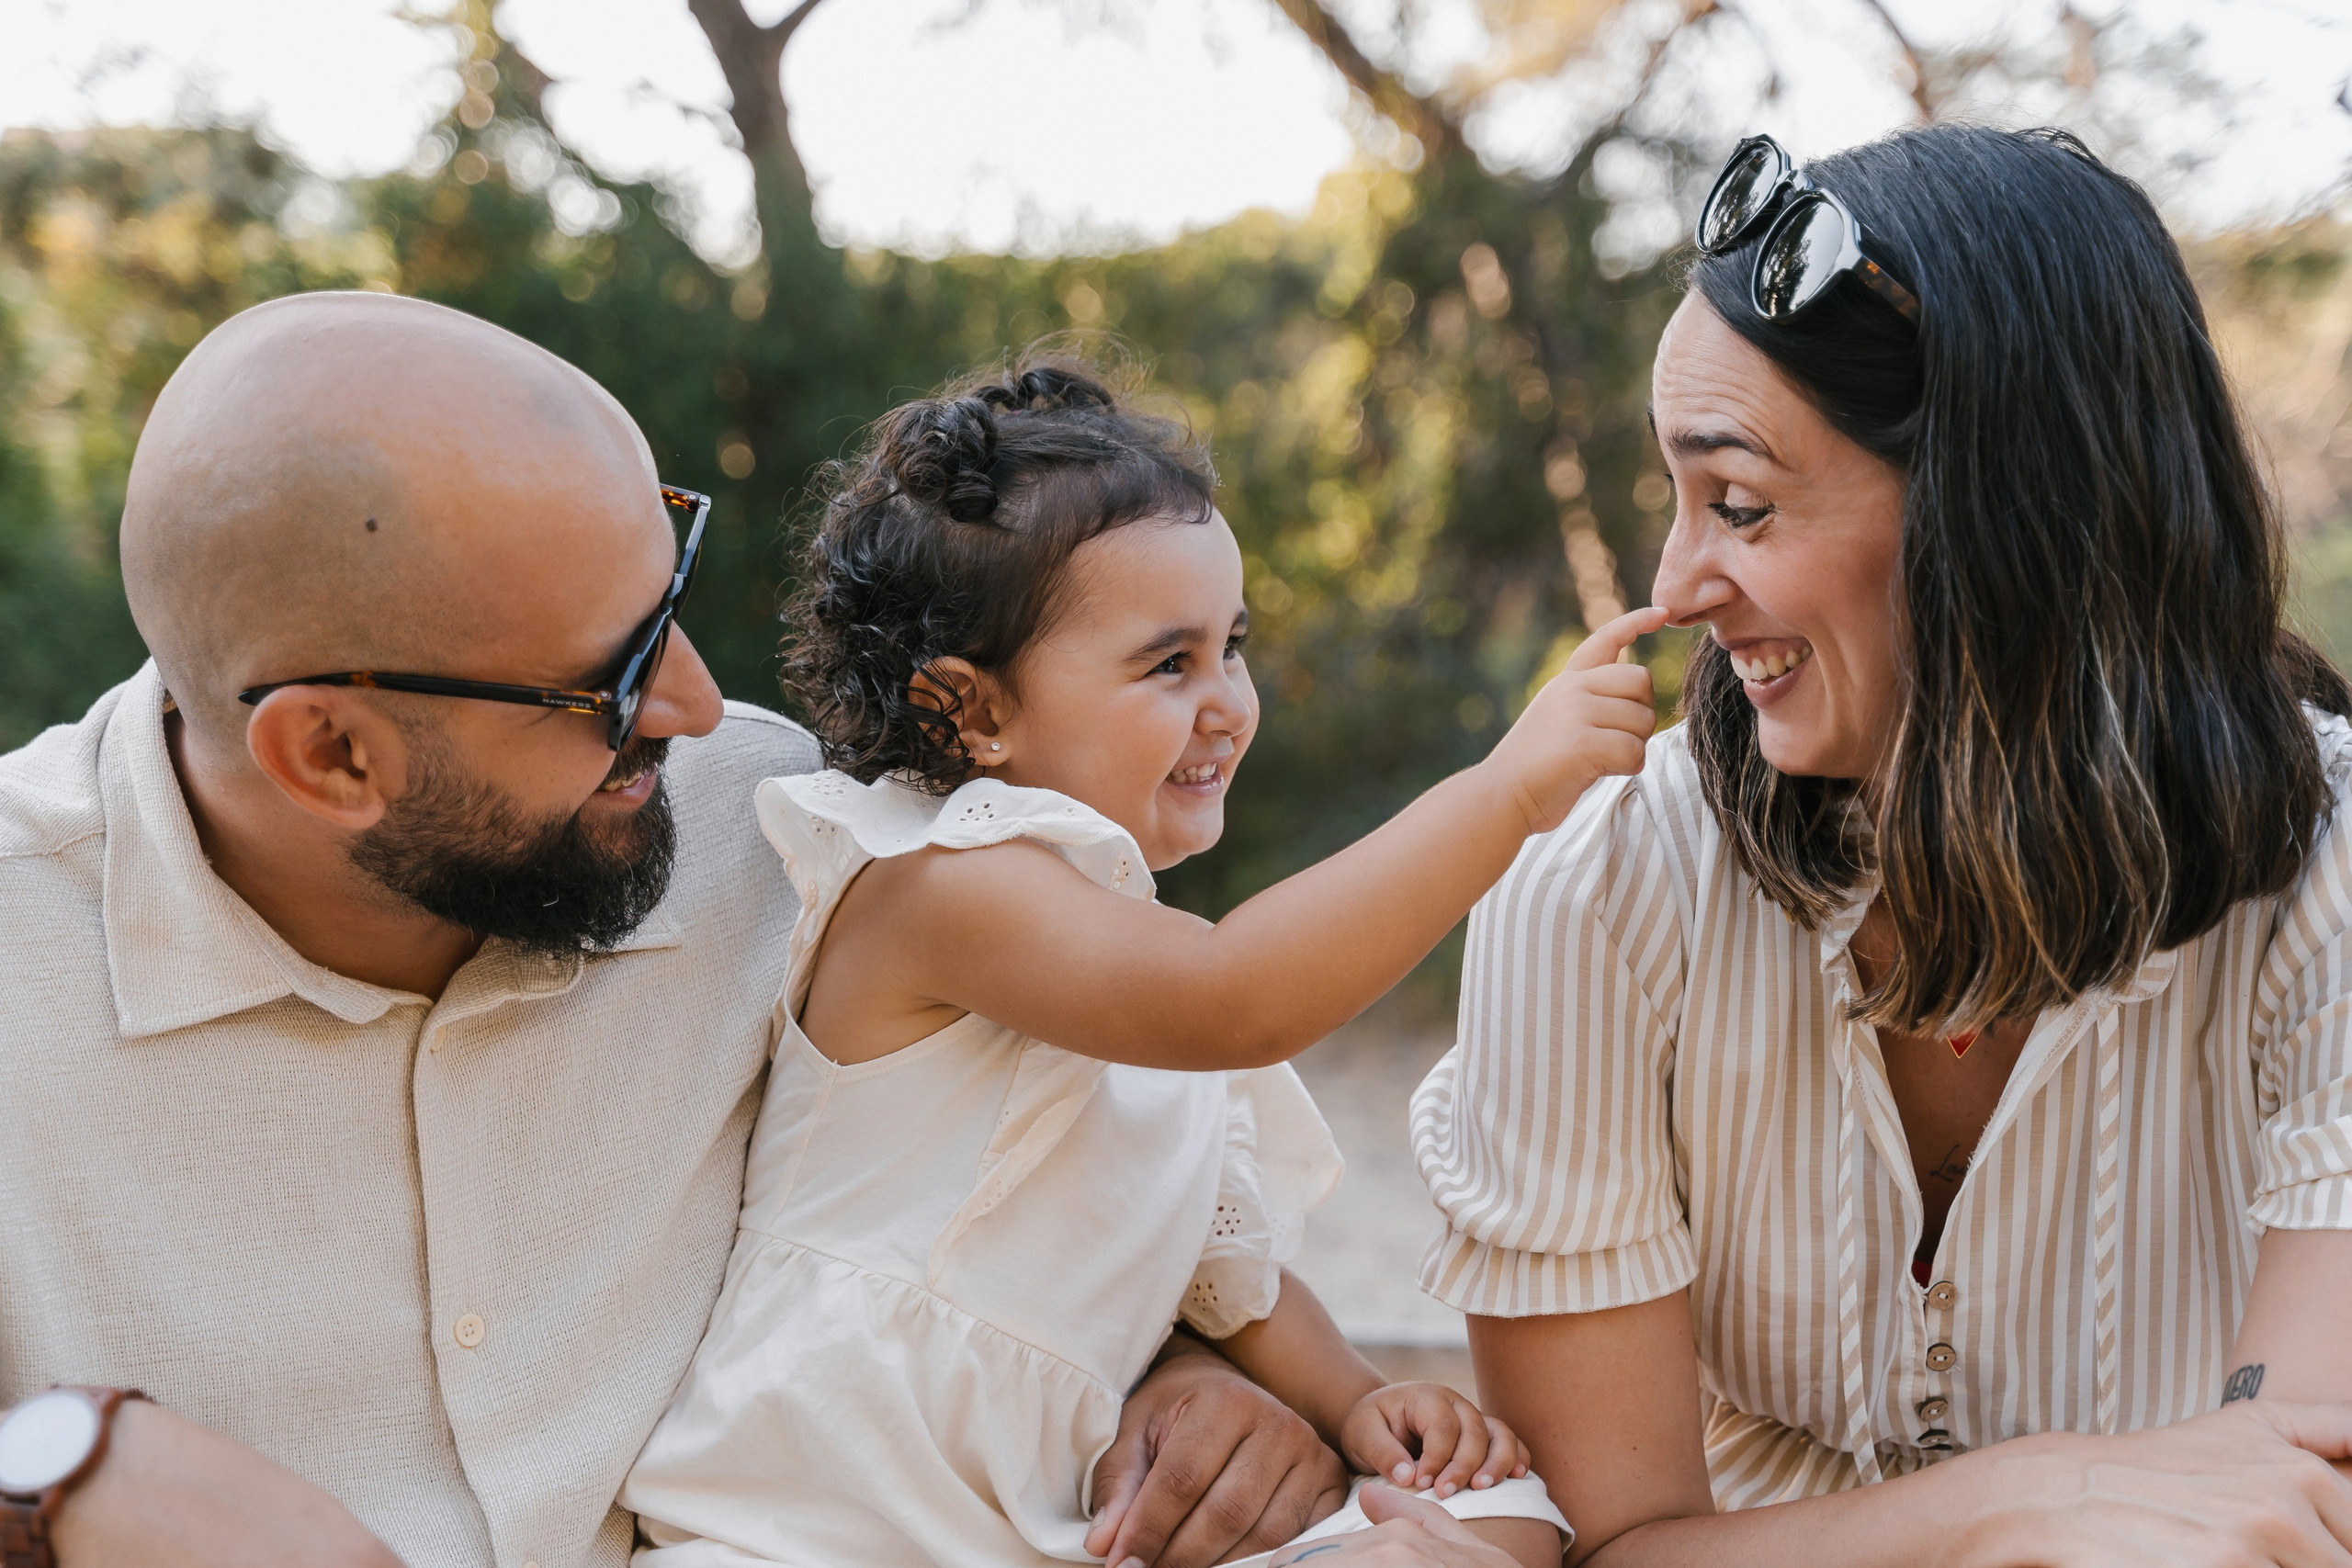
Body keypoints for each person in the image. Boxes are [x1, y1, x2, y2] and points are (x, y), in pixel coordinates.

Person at [0, 292, 1365, 1568]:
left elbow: (999, 1181)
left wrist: (1180, 1372)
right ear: (333, 754)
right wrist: (51, 1473)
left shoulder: (788, 845)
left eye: (674, 603)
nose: (702, 711)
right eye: (610, 680)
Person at [1371, 123, 2352, 1568]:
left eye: (1744, 505)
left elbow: (2290, 1502)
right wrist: (2026, 1500)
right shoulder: (1599, 890)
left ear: (2007, 517)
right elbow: (1612, 1542)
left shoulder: (2326, 876)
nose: (1681, 585)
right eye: (1679, 499)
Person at [618, 356, 1668, 1567]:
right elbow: (1241, 996)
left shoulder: (1128, 969)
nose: (1226, 699)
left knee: (1500, 1525)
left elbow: (1227, 1280)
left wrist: (1355, 1401)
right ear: (974, 712)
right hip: (795, 1536)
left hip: (1026, 1532)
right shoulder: (938, 882)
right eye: (1169, 664)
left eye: (1235, 646)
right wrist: (1504, 794)